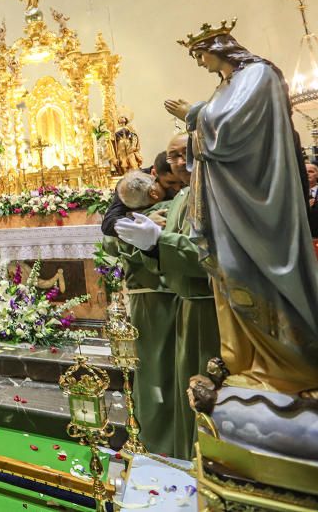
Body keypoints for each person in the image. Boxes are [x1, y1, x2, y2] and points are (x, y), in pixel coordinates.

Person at [166, 25, 318, 395]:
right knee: (229, 275)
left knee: (250, 273)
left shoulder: (258, 75)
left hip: (255, 202)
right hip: (227, 204)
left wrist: (194, 115)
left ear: (219, 47)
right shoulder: (225, 85)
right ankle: (244, 361)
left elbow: (232, 134)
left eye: (200, 55)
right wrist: (199, 118)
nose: (201, 64)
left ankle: (287, 367)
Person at [116, 133, 221, 459]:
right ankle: (180, 456)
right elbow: (163, 250)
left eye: (183, 153)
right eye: (171, 155)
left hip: (210, 307)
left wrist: (157, 244)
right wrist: (150, 244)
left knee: (203, 389)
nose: (177, 161)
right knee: (181, 390)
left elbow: (212, 255)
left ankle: (206, 462)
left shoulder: (216, 191)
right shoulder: (182, 196)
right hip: (184, 305)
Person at [101, 152, 182, 237]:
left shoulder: (187, 176)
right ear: (154, 174)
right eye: (170, 183)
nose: (178, 188)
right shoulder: (131, 185)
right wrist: (143, 221)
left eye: (181, 183)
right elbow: (109, 224)